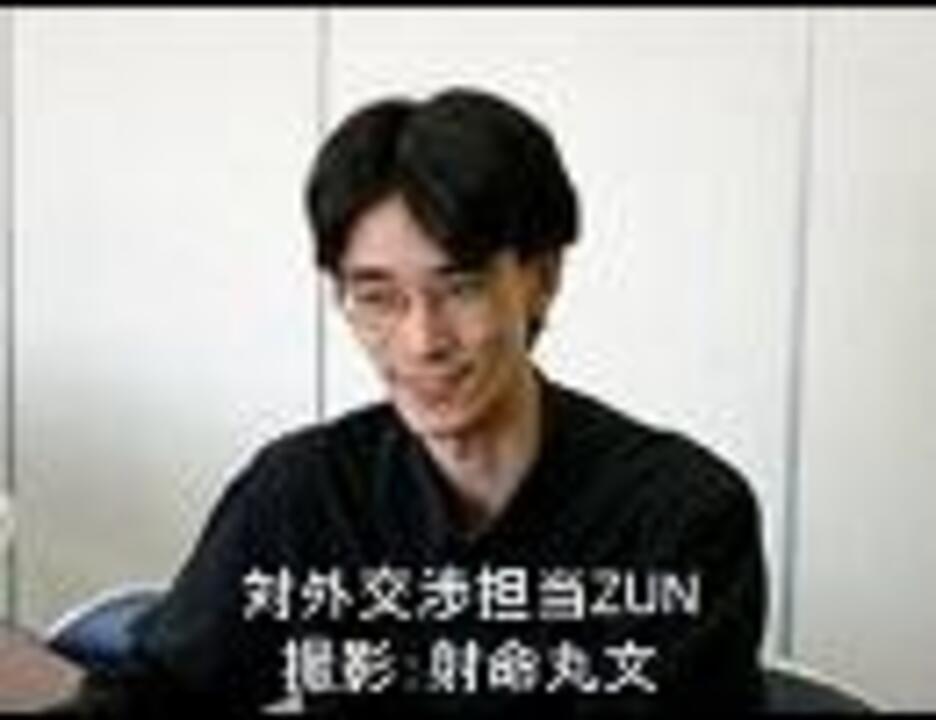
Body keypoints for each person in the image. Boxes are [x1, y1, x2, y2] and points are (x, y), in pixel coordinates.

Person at [58, 87, 767, 717]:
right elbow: (162, 690)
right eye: (378, 298)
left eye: (459, 288)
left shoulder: (681, 519)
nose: (422, 340)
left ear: (541, 278)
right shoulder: (305, 492)